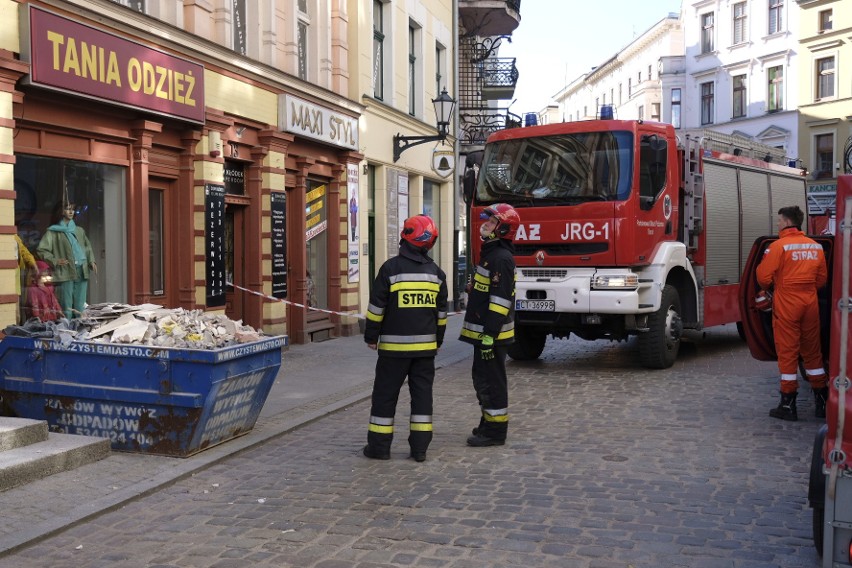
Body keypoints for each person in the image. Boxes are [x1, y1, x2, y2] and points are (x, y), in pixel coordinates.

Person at [362, 215, 448, 462]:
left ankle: (379, 448)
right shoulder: (437, 275)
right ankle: (419, 449)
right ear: (430, 242)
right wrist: (439, 341)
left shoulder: (390, 269)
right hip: (425, 351)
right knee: (422, 398)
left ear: (406, 237)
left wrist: (371, 336)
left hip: (392, 350)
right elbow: (441, 315)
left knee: (385, 397)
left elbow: (376, 307)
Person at [757, 205, 828, 421]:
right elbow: (822, 280)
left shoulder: (778, 247)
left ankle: (788, 404)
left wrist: (775, 289)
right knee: (813, 352)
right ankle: (822, 402)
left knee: (788, 352)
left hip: (787, 303)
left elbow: (763, 277)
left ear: (787, 222)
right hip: (810, 302)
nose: (778, 224)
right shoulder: (816, 247)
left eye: (779, 221)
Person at [460, 203, 519, 447]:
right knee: (481, 380)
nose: (486, 224)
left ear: (503, 229)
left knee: (492, 383)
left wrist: (489, 335)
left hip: (491, 336)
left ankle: (495, 432)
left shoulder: (501, 258)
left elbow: (501, 300)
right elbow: (488, 291)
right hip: (484, 333)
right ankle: (488, 422)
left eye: (492, 222)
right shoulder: (490, 255)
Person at [36, 202, 97, 319]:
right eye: (68, 209)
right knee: (66, 305)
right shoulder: (53, 232)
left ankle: (79, 327)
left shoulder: (79, 230)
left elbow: (87, 247)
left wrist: (91, 261)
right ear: (61, 211)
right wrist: (55, 260)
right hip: (65, 270)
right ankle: (67, 328)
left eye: (72, 209)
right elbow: (41, 250)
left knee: (80, 304)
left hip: (82, 269)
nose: (71, 212)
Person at [14, 234, 38, 324]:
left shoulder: (14, 236)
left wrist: (33, 264)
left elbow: (24, 251)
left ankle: (14, 332)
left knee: (16, 313)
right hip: (5, 275)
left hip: (15, 275)